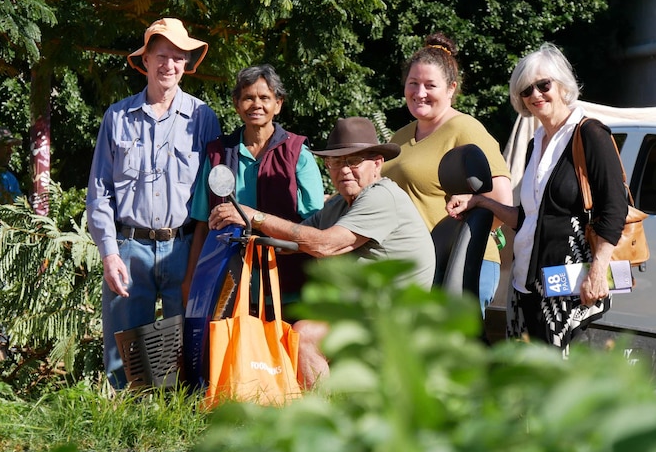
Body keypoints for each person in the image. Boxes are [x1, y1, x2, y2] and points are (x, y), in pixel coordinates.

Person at [208, 116, 436, 388]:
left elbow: (324, 244)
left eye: (354, 161)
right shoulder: (340, 204)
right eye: (337, 162)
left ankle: (324, 418)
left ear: (377, 163)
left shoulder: (381, 196)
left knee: (305, 335)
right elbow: (297, 238)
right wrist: (247, 233)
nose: (344, 170)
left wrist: (253, 215)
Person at [446, 43, 627, 352]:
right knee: (524, 380)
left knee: (558, 384)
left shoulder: (590, 134)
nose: (535, 95)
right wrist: (481, 202)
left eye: (544, 85)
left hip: (570, 287)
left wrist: (598, 273)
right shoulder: (536, 143)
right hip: (525, 283)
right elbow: (530, 217)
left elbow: (615, 208)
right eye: (526, 90)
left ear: (563, 86)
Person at [86, 18, 221, 389]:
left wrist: (205, 252)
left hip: (183, 246)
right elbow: (99, 190)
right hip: (129, 246)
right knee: (123, 347)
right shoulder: (117, 117)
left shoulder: (203, 118)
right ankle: (123, 420)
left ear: (186, 64)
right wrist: (109, 253)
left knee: (188, 342)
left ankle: (181, 420)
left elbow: (214, 192)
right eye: (162, 55)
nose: (170, 65)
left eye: (178, 57)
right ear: (144, 60)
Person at [381, 33, 512, 317]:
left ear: (451, 88)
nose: (420, 92)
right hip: (412, 268)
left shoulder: (465, 128)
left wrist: (461, 235)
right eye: (413, 83)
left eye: (430, 85)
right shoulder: (400, 136)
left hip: (459, 265)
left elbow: (502, 201)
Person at [183, 64, 324, 310]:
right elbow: (203, 224)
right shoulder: (218, 153)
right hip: (229, 285)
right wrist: (191, 279)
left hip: (287, 284)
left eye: (264, 98)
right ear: (237, 104)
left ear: (278, 104)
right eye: (248, 97)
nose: (256, 104)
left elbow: (314, 222)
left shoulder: (297, 153)